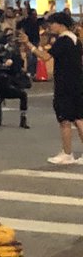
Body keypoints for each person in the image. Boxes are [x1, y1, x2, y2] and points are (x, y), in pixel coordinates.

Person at [23, 11, 83, 165]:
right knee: (78, 118)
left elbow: (45, 57)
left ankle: (67, 153)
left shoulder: (63, 40)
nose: (50, 27)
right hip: (77, 81)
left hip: (65, 83)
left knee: (64, 119)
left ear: (60, 24)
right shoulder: (76, 40)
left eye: (52, 24)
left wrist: (29, 44)